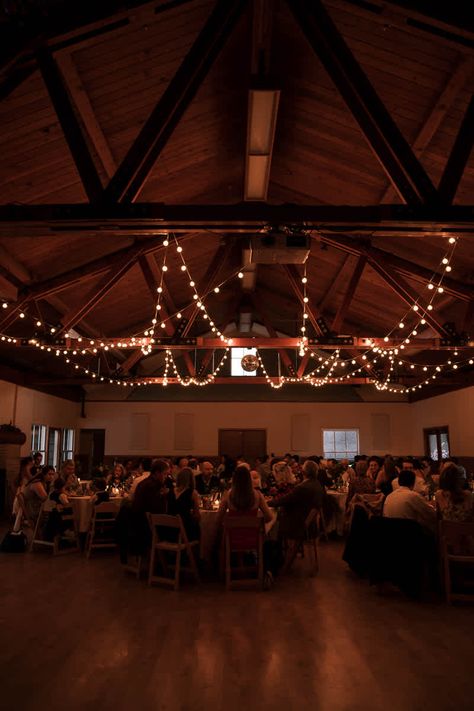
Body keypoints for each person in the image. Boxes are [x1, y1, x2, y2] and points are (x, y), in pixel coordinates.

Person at [267, 459, 323, 540]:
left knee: (275, 520)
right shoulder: (317, 484)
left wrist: (267, 503)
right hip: (310, 523)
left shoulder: (302, 487)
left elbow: (283, 500)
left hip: (297, 524)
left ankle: (275, 546)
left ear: (304, 472)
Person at [383, 469, 436, 534]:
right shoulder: (413, 495)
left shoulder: (389, 496)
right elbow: (431, 513)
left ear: (399, 482)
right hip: (409, 534)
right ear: (413, 482)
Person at [169, 467, 200, 541]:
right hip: (183, 533)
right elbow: (197, 515)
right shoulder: (192, 493)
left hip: (169, 531)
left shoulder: (170, 491)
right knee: (200, 528)